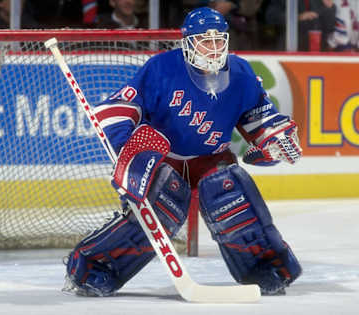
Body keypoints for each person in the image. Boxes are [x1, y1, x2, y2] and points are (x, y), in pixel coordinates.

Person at [62, 7, 303, 298]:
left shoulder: (240, 72)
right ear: (188, 42)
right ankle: (94, 268)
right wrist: (126, 151)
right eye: (205, 40)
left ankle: (266, 267)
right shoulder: (161, 67)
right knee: (159, 210)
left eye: (218, 41)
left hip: (211, 159)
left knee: (231, 194)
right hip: (166, 160)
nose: (213, 48)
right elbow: (120, 108)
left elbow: (259, 116)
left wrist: (273, 137)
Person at [264, 0, 336, 51]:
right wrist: (298, 17)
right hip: (291, 49)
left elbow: (330, 27)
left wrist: (330, 8)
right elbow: (270, 16)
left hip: (317, 51)